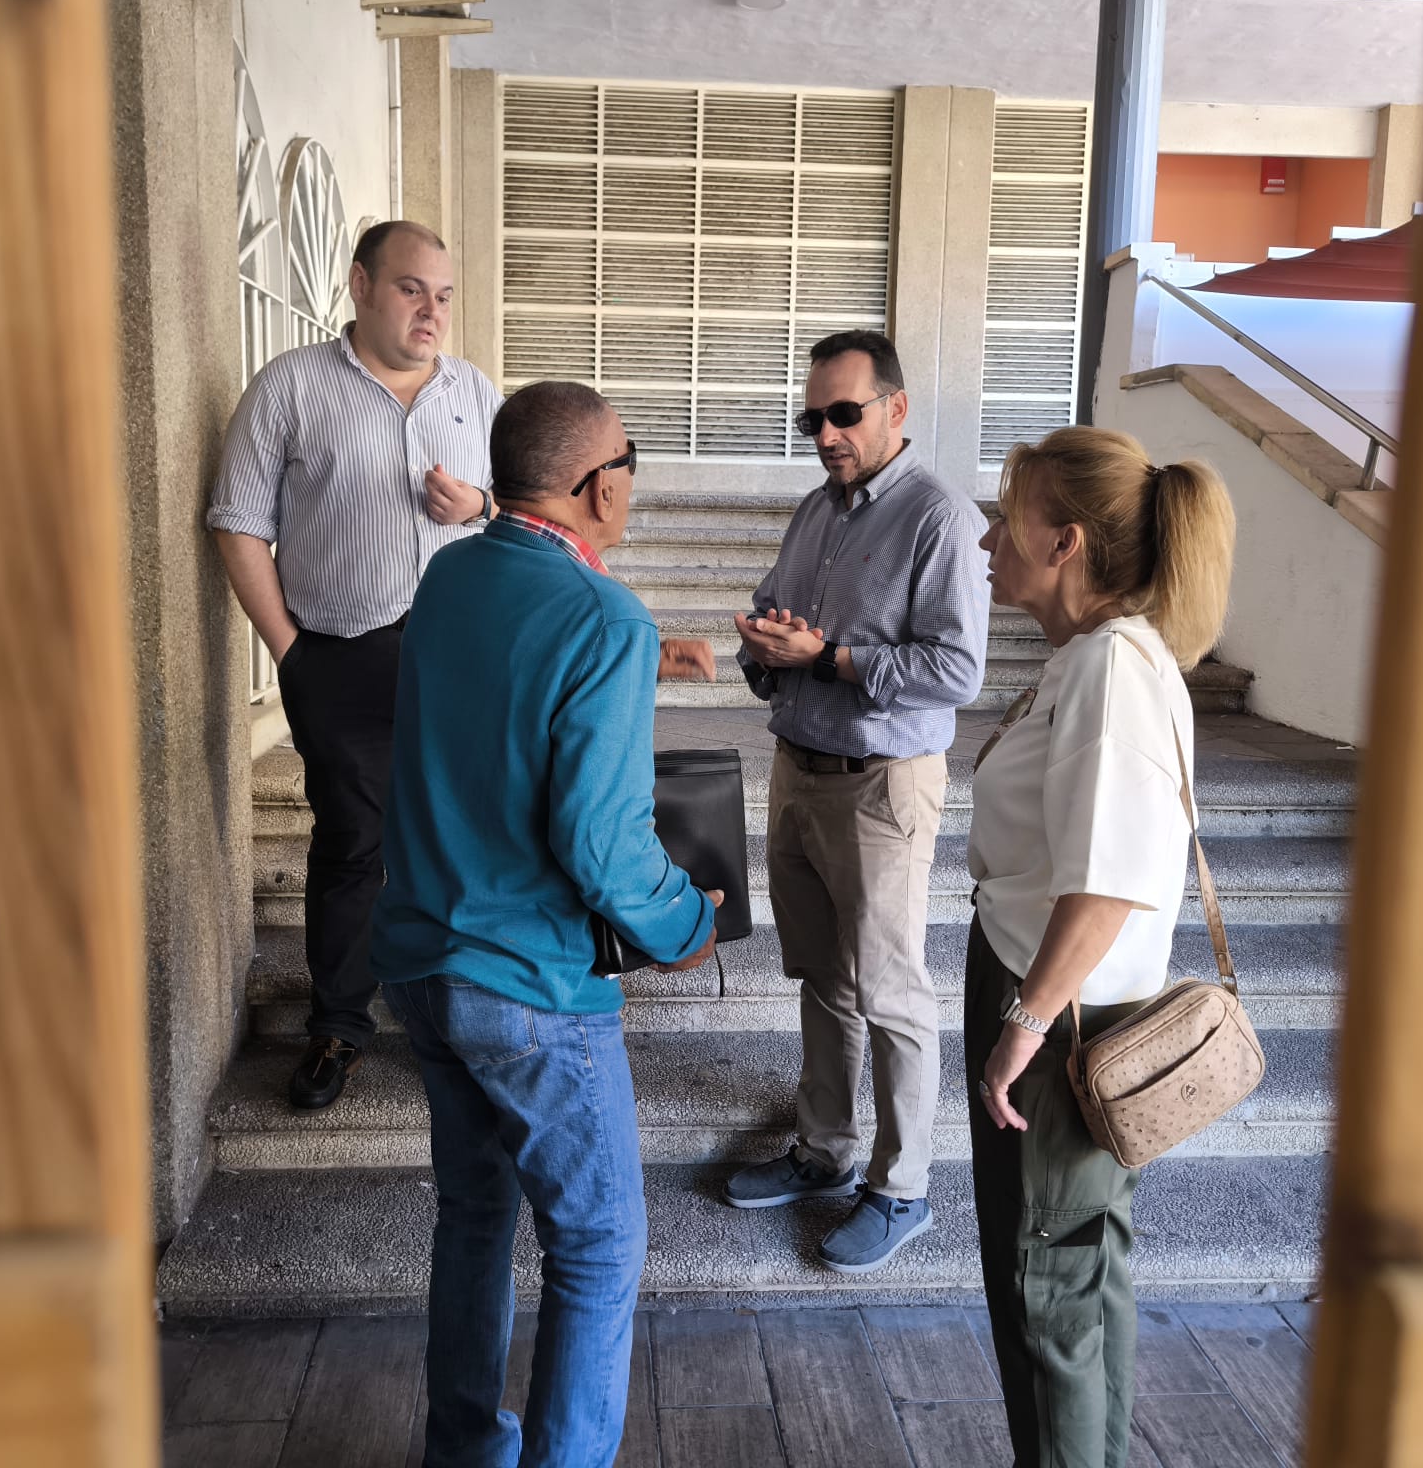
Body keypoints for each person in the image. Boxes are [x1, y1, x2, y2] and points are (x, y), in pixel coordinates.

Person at [208, 222, 713, 1110]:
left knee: (468, 827)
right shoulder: (291, 387)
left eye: (443, 295)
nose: (430, 310)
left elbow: (528, 513)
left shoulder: (474, 392)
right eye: (411, 289)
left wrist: (476, 502)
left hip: (467, 659)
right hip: (344, 656)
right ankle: (339, 1023)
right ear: (360, 285)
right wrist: (293, 651)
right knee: (353, 843)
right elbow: (238, 520)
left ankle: (450, 1003)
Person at [371, 380, 722, 1468]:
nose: (632, 482)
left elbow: (491, 710)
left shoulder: (450, 575)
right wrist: (684, 923)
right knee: (598, 1247)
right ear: (597, 486)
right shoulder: (602, 616)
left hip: (422, 958)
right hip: (529, 987)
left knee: (474, 1219)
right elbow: (601, 843)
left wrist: (641, 652)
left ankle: (465, 1449)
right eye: (629, 462)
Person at [965, 427, 1235, 1466]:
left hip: (1061, 1016)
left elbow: (1108, 886)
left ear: (1064, 541)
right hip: (1062, 1002)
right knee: (1078, 1277)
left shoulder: (1111, 670)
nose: (988, 540)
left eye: (1007, 520)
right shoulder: (1100, 659)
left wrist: (1019, 1027)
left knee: (1049, 1296)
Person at [722, 329, 990, 1276]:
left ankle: (903, 1186)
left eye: (844, 414)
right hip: (798, 768)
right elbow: (774, 615)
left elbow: (957, 671)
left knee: (890, 989)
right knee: (824, 977)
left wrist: (830, 658)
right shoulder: (816, 511)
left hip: (881, 784)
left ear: (896, 408)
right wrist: (763, 643)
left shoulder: (939, 518)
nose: (827, 435)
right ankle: (825, 1150)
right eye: (813, 419)